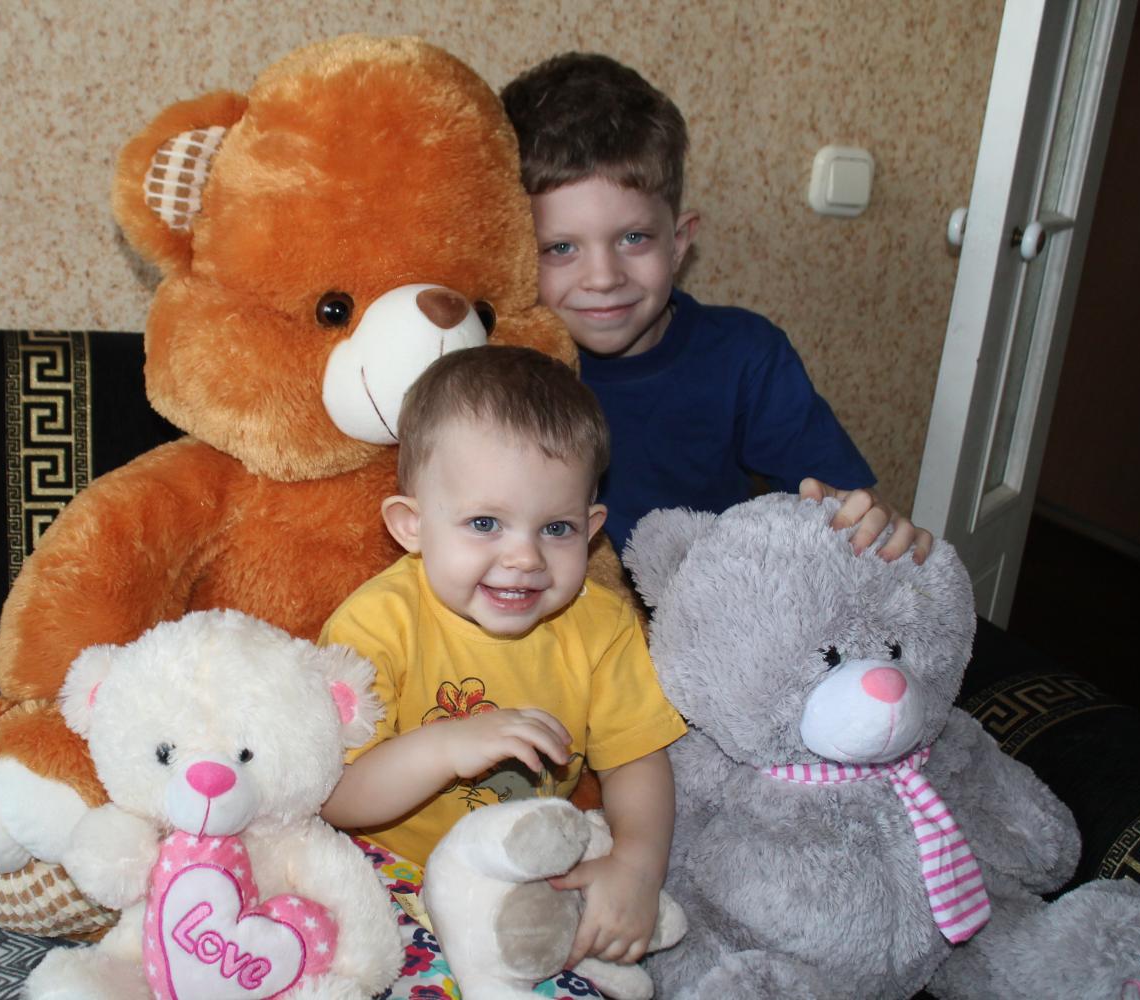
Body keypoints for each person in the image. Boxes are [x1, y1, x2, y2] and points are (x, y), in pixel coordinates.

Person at [319, 345, 686, 971]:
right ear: (411, 525)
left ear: (592, 526)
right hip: (386, 877)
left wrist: (636, 867)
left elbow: (637, 759)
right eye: (485, 523)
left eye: (556, 529)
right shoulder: (374, 625)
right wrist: (447, 746)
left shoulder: (601, 626)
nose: (524, 558)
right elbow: (334, 796)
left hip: (532, 886)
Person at [501, 52, 933, 564]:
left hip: (709, 605)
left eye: (634, 238)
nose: (603, 277)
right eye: (561, 248)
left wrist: (870, 523)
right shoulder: (506, 368)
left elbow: (844, 505)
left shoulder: (746, 356)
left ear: (679, 242)